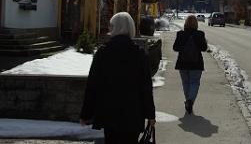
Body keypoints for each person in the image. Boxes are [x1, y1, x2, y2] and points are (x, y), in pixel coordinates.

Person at [80, 12, 156, 144]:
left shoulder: (103, 53)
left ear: (115, 28)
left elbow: (93, 85)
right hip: (133, 113)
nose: (109, 28)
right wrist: (150, 114)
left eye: (111, 25)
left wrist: (86, 113)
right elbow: (146, 87)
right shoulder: (139, 54)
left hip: (109, 113)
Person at [173, 15, 208, 114]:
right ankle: (190, 101)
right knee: (194, 82)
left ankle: (188, 100)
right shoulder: (200, 34)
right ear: (196, 24)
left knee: (185, 83)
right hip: (196, 64)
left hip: (183, 63)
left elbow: (175, 48)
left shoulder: (181, 34)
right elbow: (204, 48)